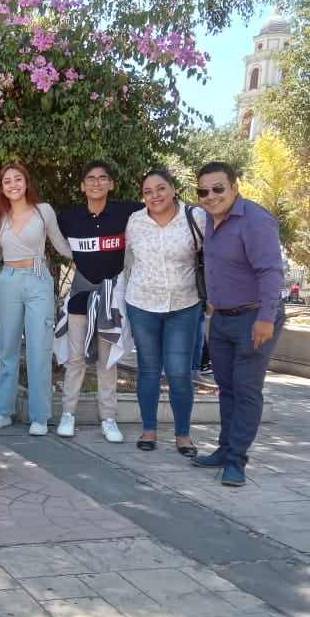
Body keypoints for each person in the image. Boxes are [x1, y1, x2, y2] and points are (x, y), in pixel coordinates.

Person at [192, 161, 285, 487]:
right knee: (226, 388)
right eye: (203, 190)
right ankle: (224, 448)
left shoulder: (256, 221)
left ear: (234, 187)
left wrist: (264, 319)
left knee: (246, 390)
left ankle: (236, 461)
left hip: (254, 317)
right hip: (222, 318)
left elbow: (271, 272)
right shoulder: (208, 220)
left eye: (218, 188)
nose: (211, 195)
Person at [56, 160, 142, 442]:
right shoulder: (68, 217)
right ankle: (68, 414)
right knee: (76, 359)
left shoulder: (127, 212)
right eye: (90, 178)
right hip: (80, 296)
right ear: (82, 186)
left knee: (107, 362)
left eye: (102, 178)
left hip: (111, 300)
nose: (96, 183)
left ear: (111, 184)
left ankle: (108, 418)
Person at [124, 169, 206, 455]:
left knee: (179, 373)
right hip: (142, 304)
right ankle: (149, 430)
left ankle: (183, 435)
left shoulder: (195, 217)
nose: (155, 196)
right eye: (148, 192)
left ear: (173, 189)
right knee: (148, 369)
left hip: (184, 305)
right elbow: (127, 261)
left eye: (160, 189)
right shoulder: (135, 221)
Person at [0, 162, 70, 436]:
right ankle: (3, 410)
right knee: (7, 347)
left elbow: (60, 244)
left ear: (26, 182)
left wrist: (90, 259)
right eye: (7, 181)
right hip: (8, 278)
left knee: (39, 347)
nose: (13, 184)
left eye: (17, 179)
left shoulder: (43, 211)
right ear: (2, 188)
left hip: (37, 276)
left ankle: (40, 415)